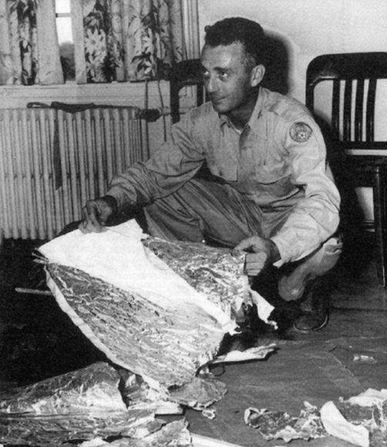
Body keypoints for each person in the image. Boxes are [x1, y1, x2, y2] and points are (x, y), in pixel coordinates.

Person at [80, 17, 342, 331]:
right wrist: (111, 200)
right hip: (243, 215)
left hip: (289, 219)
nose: (210, 86)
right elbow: (154, 174)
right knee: (166, 193)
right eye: (206, 73)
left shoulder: (290, 123)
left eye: (223, 74)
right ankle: (201, 285)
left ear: (255, 75)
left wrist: (277, 248)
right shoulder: (200, 121)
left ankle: (300, 286)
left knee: (329, 241)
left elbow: (323, 199)